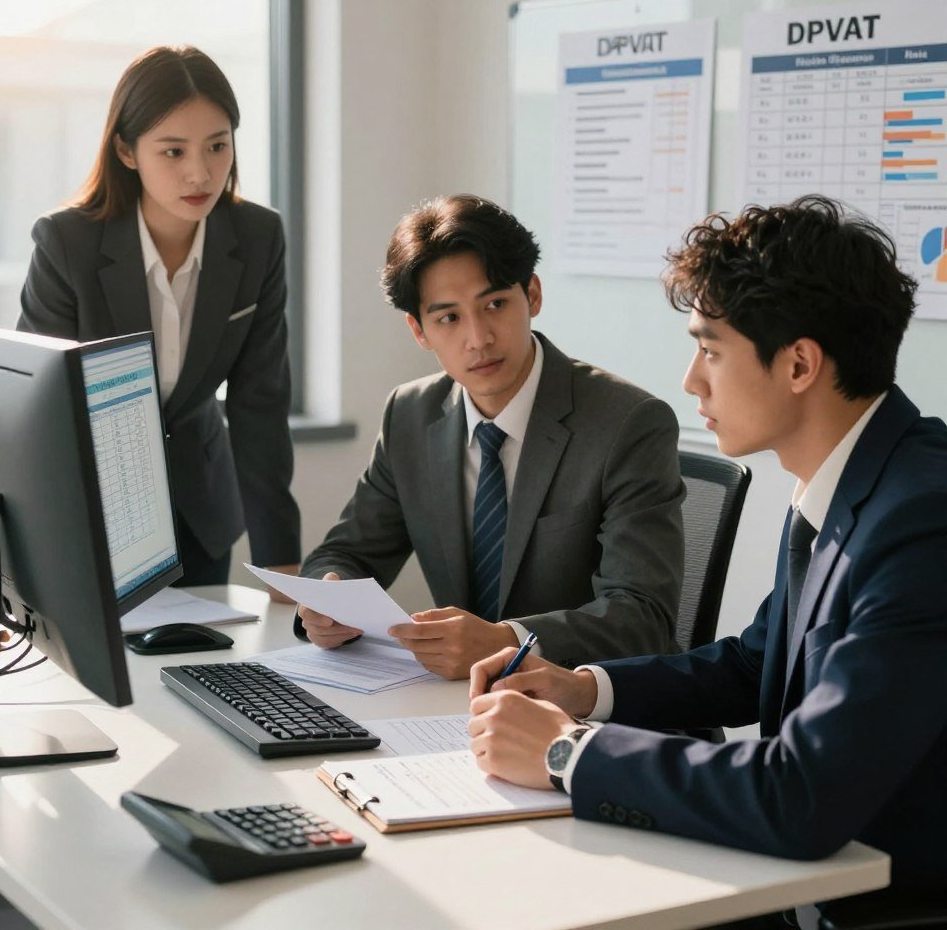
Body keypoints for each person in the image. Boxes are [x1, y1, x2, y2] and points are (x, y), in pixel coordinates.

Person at [468, 195, 947, 912]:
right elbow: (757, 662)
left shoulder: (921, 519)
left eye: (711, 349)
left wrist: (568, 753)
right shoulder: (855, 480)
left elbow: (802, 793)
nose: (692, 380)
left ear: (799, 365)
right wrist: (584, 688)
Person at [296, 193, 685, 679]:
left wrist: (508, 642)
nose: (478, 338)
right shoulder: (410, 415)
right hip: (459, 708)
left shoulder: (628, 423)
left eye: (495, 304)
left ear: (533, 295)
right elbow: (344, 553)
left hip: (596, 712)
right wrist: (329, 599)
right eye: (449, 318)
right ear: (419, 331)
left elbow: (642, 615)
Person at [18, 46, 300, 586]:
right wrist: (25, 552)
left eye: (218, 146)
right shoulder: (67, 243)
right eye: (173, 152)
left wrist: (280, 561)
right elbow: (35, 406)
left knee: (206, 668)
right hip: (90, 514)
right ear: (127, 150)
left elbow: (260, 403)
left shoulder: (258, 237)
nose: (201, 173)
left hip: (200, 513)